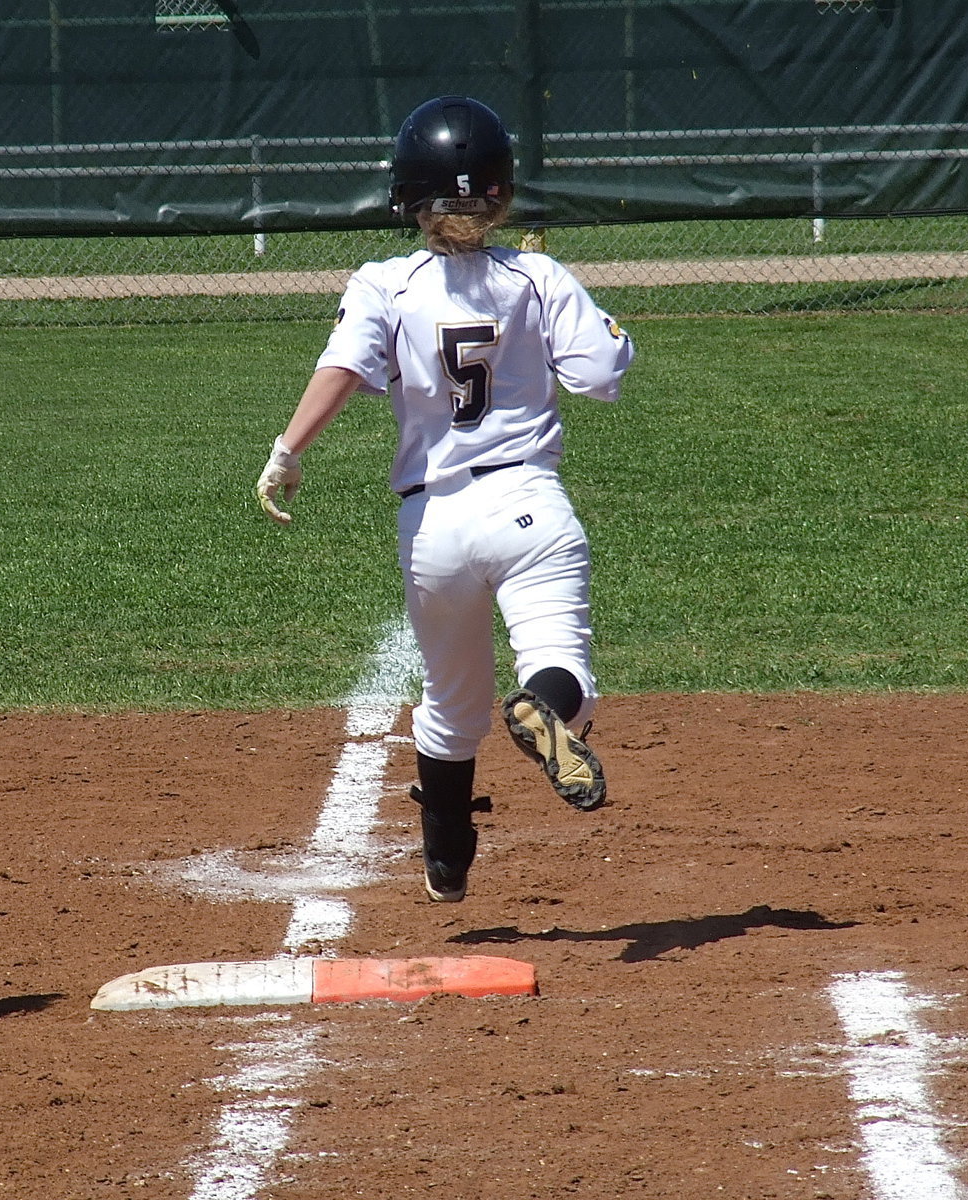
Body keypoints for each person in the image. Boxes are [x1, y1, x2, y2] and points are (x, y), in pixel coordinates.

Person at [256, 95, 634, 903]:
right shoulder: (535, 276)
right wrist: (594, 317)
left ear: (407, 195)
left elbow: (344, 371)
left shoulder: (386, 283)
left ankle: (447, 858)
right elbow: (602, 377)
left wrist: (287, 454)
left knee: (449, 704)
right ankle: (543, 710)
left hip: (433, 523)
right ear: (501, 191)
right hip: (531, 503)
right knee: (561, 665)